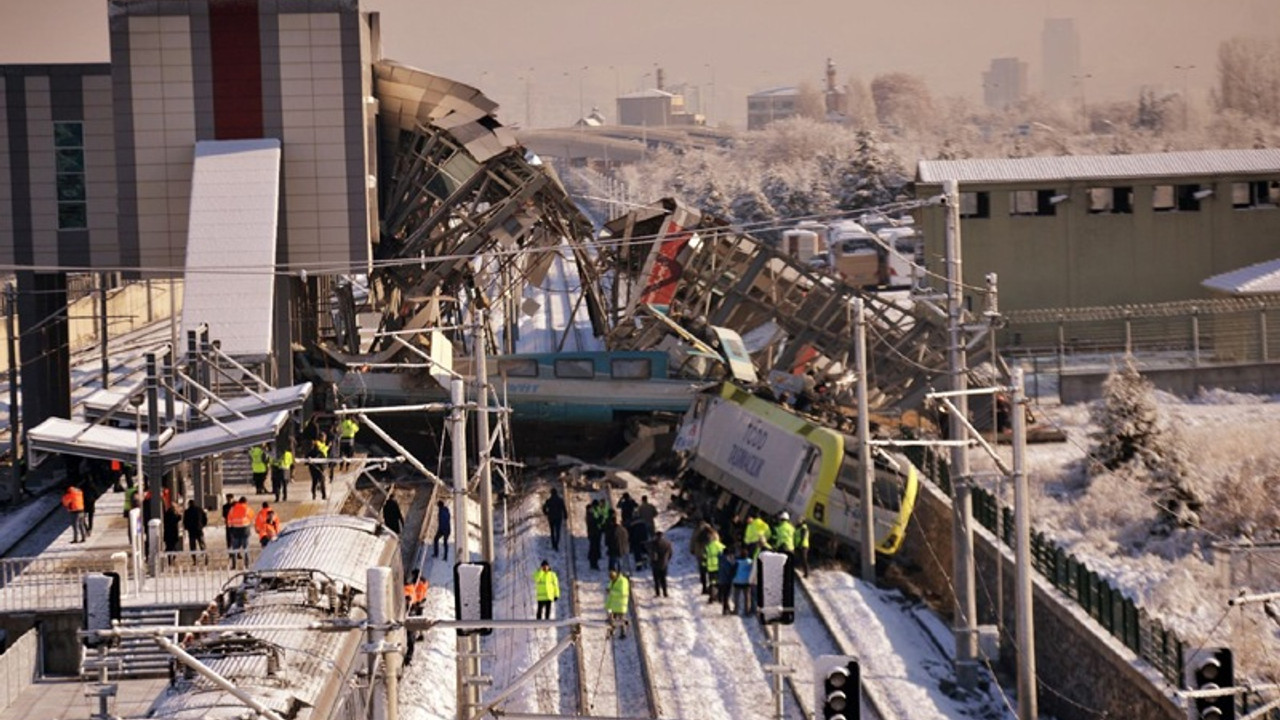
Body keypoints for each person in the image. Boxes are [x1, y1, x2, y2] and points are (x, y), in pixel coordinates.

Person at [226, 496, 254, 568]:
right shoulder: (247, 508)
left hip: (235, 530)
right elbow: (251, 516)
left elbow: (229, 519)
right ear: (245, 502)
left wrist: (230, 528)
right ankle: (247, 564)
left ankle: (234, 565)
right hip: (245, 530)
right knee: (246, 548)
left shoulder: (232, 509)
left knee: (235, 549)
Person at [691, 521, 718, 595]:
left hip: (700, 555)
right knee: (711, 572)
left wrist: (692, 550)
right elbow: (717, 542)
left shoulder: (696, 532)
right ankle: (712, 588)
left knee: (702, 572)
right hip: (711, 556)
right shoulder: (712, 532)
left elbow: (692, 541)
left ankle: (704, 588)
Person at [606, 569, 630, 639]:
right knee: (612, 619)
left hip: (620, 603)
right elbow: (610, 587)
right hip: (613, 604)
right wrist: (608, 589)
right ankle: (611, 632)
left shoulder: (622, 581)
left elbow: (622, 593)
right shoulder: (613, 581)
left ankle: (623, 633)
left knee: (621, 619)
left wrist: (611, 592)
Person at [649, 530, 673, 598]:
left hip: (655, 564)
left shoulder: (653, 543)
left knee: (656, 579)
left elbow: (650, 552)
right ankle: (665, 592)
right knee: (663, 579)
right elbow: (670, 553)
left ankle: (657, 593)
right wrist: (667, 559)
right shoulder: (668, 543)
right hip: (664, 563)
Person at [183, 498, 208, 565]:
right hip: (199, 530)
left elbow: (185, 522)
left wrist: (187, 528)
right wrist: (202, 525)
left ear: (189, 504)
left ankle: (194, 560)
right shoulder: (199, 509)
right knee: (202, 544)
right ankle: (206, 557)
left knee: (193, 547)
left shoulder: (187, 511)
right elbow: (205, 518)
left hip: (191, 531)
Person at [704, 531, 726, 604]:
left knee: (712, 582)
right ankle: (720, 597)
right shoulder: (721, 546)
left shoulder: (708, 546)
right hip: (719, 567)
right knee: (720, 582)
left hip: (710, 567)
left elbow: (705, 556)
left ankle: (712, 597)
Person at [733, 552, 755, 616]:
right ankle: (747, 610)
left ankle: (736, 609)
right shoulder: (750, 561)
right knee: (747, 597)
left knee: (736, 596)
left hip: (737, 581)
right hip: (746, 581)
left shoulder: (737, 562)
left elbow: (733, 570)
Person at [308, 436, 330, 500]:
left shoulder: (310, 453)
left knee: (314, 481)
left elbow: (306, 461)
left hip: (313, 469)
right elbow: (325, 461)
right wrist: (325, 467)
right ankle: (324, 495)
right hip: (320, 469)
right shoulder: (321, 453)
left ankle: (314, 494)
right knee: (322, 482)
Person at [717, 547, 738, 614]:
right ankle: (725, 609)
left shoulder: (720, 559)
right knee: (726, 595)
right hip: (726, 580)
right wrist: (734, 567)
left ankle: (725, 608)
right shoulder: (726, 561)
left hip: (721, 579)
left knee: (724, 594)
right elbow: (728, 571)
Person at [586, 500, 603, 570]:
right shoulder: (591, 513)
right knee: (593, 547)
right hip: (594, 533)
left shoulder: (593, 512)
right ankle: (593, 563)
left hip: (595, 532)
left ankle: (594, 562)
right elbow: (593, 522)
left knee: (595, 547)